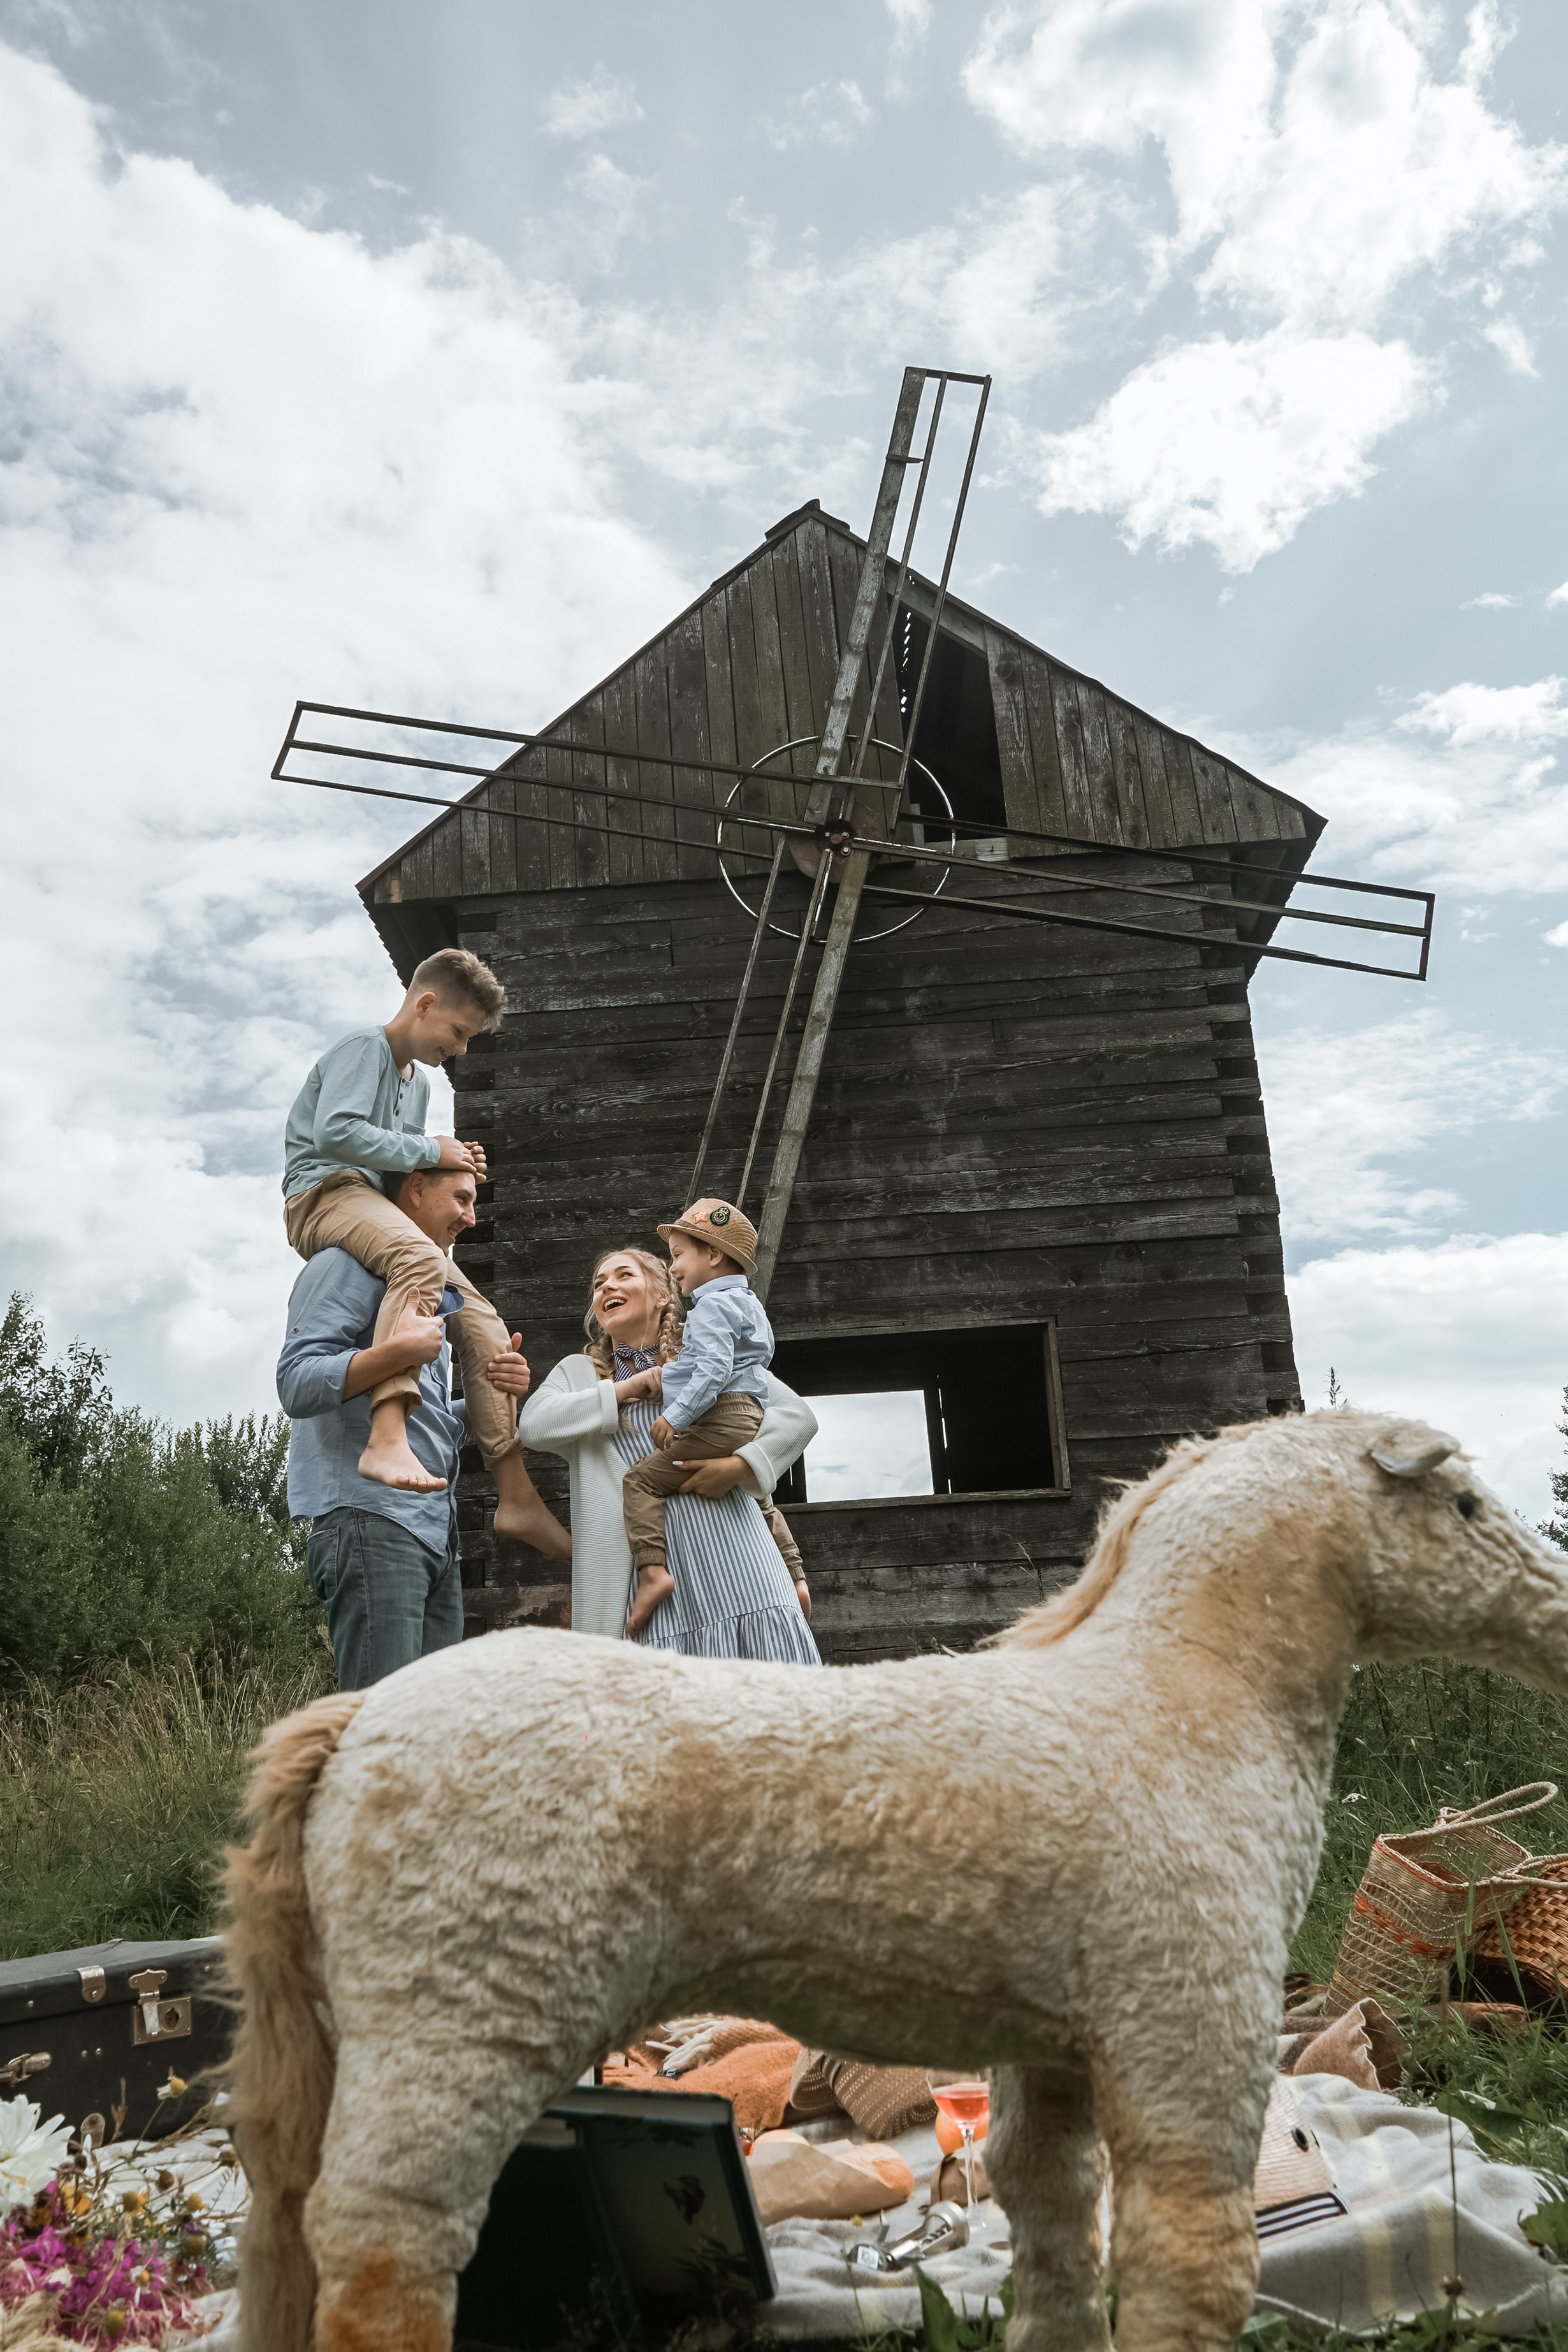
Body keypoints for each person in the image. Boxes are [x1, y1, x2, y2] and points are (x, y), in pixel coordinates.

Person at [280, 944, 562, 1555]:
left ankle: (515, 1494)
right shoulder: (366, 1049)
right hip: (325, 1193)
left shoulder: (420, 1085)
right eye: (459, 1032)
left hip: (371, 1199)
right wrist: (435, 1151)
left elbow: (402, 1170)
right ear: (425, 1003)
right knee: (416, 1261)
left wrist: (451, 1158)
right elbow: (339, 1133)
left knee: (478, 1314)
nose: (461, 1049)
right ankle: (387, 1433)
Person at [276, 1160, 548, 1688]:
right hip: (369, 1518)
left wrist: (504, 1390)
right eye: (462, 1200)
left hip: (433, 1533)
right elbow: (296, 1383)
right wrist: (392, 1353)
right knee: (383, 1728)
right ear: (416, 1190)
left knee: (425, 1729)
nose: (471, 1218)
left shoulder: (421, 1290)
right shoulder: (343, 1265)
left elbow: (434, 1422)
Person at [518, 1245, 821, 1660]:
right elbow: (534, 1424)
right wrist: (626, 1390)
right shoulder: (579, 1372)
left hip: (740, 1559)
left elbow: (796, 1416)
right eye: (598, 1283)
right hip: (646, 1580)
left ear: (662, 1294)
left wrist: (740, 1466)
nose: (607, 1286)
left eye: (624, 1275)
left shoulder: (707, 1347)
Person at [618, 1198, 807, 1637]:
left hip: (721, 1414)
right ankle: (793, 1571)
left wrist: (677, 1416)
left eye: (679, 1255)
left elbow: (715, 1371)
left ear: (714, 1255)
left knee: (640, 1480)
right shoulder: (746, 1305)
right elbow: (740, 1366)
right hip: (748, 1414)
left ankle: (652, 1573)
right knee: (758, 1496)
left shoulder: (711, 1308)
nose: (674, 1268)